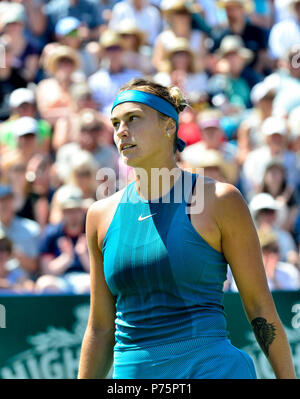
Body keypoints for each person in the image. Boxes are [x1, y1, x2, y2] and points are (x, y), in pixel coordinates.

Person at [78, 78, 296, 379]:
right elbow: (100, 328)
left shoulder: (220, 200)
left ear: (169, 126)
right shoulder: (99, 215)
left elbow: (260, 306)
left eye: (133, 119)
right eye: (115, 123)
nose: (121, 131)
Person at [35, 184, 90, 294]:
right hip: (60, 279)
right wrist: (66, 258)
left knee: (89, 286)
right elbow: (46, 270)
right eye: (68, 210)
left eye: (76, 209)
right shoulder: (51, 233)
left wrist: (83, 255)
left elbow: (99, 274)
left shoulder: (92, 232)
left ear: (82, 210)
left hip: (86, 277)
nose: (72, 215)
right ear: (62, 212)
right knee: (44, 284)